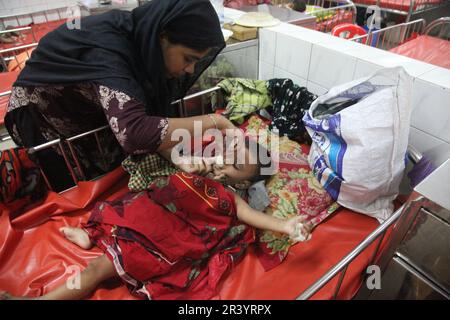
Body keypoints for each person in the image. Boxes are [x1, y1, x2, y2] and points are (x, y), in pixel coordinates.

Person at [0, 140, 312, 300]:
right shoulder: (198, 166)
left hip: (161, 240)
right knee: (115, 210)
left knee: (96, 270)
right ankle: (91, 236)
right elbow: (169, 178)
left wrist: (286, 226)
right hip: (147, 213)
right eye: (230, 152)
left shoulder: (231, 198)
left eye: (238, 165)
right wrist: (191, 168)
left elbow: (254, 217)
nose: (227, 160)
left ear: (245, 182)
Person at [4, 0, 236, 192]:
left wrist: (176, 157)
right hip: (47, 119)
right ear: (162, 36)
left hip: (91, 114)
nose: (190, 70)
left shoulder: (143, 46)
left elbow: (147, 117)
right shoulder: (109, 51)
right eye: (188, 58)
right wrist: (215, 121)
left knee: (112, 178)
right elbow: (134, 132)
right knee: (75, 191)